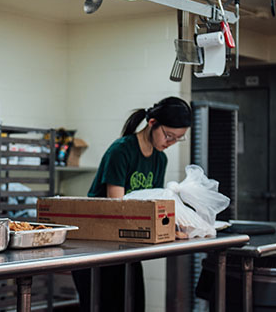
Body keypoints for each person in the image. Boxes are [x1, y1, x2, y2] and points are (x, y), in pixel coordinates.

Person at [72, 96, 192, 312]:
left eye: (177, 139)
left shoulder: (159, 159)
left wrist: (174, 227)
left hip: (127, 247)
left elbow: (155, 204)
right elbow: (116, 206)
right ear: (152, 123)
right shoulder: (121, 150)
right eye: (168, 136)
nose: (170, 143)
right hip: (97, 246)